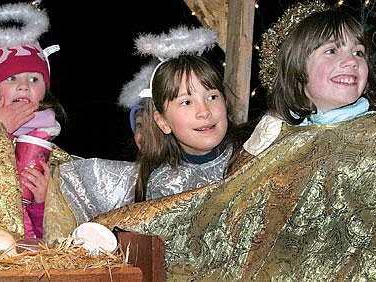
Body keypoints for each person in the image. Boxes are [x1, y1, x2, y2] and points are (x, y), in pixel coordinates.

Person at [92, 1, 376, 280]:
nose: (351, 60)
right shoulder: (279, 142)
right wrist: (114, 226)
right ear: (297, 70)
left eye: (358, 52)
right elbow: (223, 207)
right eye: (331, 50)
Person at [58, 26, 253, 223]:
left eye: (212, 97)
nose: (204, 111)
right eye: (186, 102)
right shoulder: (163, 187)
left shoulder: (253, 159)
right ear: (163, 122)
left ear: (225, 103)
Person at [0, 2, 75, 242]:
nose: (24, 85)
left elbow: (61, 236)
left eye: (35, 79)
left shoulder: (51, 152)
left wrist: (45, 201)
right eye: (11, 77)